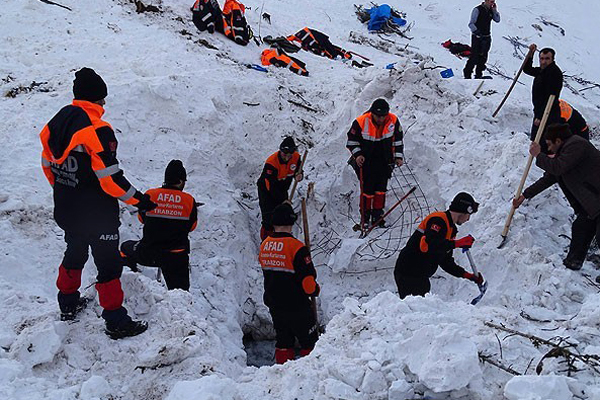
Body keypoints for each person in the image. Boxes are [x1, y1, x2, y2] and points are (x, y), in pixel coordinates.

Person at [40, 67, 156, 339]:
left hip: (67, 208)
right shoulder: (97, 129)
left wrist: (67, 191)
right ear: (97, 98)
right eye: (103, 98)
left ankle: (67, 304)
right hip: (97, 213)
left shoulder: (55, 123)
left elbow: (48, 166)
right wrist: (139, 201)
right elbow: (109, 179)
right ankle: (115, 320)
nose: (104, 104)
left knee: (75, 252)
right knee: (109, 264)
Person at [513, 123, 600, 270]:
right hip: (592, 202)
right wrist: (525, 195)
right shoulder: (564, 154)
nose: (549, 149)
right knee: (581, 227)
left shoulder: (576, 145)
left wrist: (538, 155)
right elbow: (550, 177)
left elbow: (558, 167)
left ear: (558, 141)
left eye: (549, 144)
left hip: (596, 198)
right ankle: (573, 262)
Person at [120, 160, 198, 290]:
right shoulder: (189, 200)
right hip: (176, 257)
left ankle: (130, 287)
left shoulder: (151, 195)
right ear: (180, 181)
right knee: (181, 294)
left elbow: (141, 218)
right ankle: (181, 302)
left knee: (125, 248)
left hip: (148, 253)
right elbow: (192, 227)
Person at [258, 203, 320, 364]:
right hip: (297, 306)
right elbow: (308, 284)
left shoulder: (264, 245)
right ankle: (311, 372)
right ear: (291, 222)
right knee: (310, 342)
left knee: (284, 342)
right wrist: (315, 290)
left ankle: (282, 373)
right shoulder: (297, 248)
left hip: (275, 305)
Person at [394, 192, 484, 299]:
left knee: (421, 305)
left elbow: (445, 261)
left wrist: (468, 275)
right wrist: (457, 243)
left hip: (420, 275)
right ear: (463, 211)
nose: (468, 219)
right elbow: (431, 244)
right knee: (416, 307)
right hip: (409, 271)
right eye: (469, 215)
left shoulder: (451, 230)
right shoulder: (438, 220)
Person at [346, 99, 404, 228]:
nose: (381, 119)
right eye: (378, 116)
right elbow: (352, 141)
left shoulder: (393, 121)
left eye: (383, 116)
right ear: (372, 113)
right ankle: (365, 217)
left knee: (381, 190)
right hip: (367, 162)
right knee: (367, 191)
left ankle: (378, 215)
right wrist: (358, 155)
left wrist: (398, 157)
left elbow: (398, 140)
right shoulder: (361, 122)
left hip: (385, 162)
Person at [257, 137, 303, 240]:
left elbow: (299, 170)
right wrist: (283, 200)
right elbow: (270, 187)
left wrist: (299, 175)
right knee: (269, 216)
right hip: (267, 190)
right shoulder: (271, 163)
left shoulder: (296, 158)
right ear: (280, 151)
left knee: (282, 215)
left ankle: (281, 238)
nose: (286, 157)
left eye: (288, 155)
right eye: (284, 154)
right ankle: (266, 241)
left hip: (282, 188)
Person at [523, 45, 563, 152]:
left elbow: (550, 98)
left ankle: (546, 164)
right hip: (540, 111)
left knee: (545, 142)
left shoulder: (554, 73)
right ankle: (539, 163)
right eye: (541, 59)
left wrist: (540, 116)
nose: (543, 61)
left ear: (552, 59)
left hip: (549, 113)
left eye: (547, 59)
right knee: (537, 140)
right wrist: (530, 54)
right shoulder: (542, 70)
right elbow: (527, 69)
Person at [463, 0, 500, 79]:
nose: (492, 3)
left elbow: (497, 20)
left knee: (484, 56)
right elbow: (471, 23)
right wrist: (476, 32)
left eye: (493, 1)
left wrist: (495, 10)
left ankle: (479, 74)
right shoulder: (477, 9)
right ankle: (467, 73)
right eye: (491, 1)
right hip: (477, 36)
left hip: (487, 36)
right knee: (474, 55)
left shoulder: (491, 10)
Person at [286, 27, 352, 60]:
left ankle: (345, 54)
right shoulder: (299, 36)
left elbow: (320, 45)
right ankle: (345, 54)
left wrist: (331, 56)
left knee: (330, 51)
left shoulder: (299, 37)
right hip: (316, 36)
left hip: (318, 38)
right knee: (330, 47)